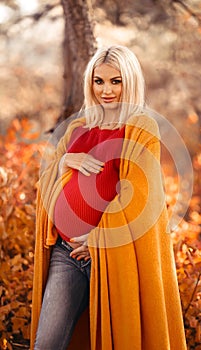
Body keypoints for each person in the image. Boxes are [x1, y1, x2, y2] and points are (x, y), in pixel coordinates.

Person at [30, 45, 187, 350]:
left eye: (116, 81)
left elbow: (141, 193)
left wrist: (100, 238)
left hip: (114, 255)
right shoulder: (77, 128)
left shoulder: (140, 127)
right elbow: (47, 183)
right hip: (67, 254)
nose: (107, 90)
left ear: (130, 82)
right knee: (46, 343)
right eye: (99, 81)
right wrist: (65, 162)